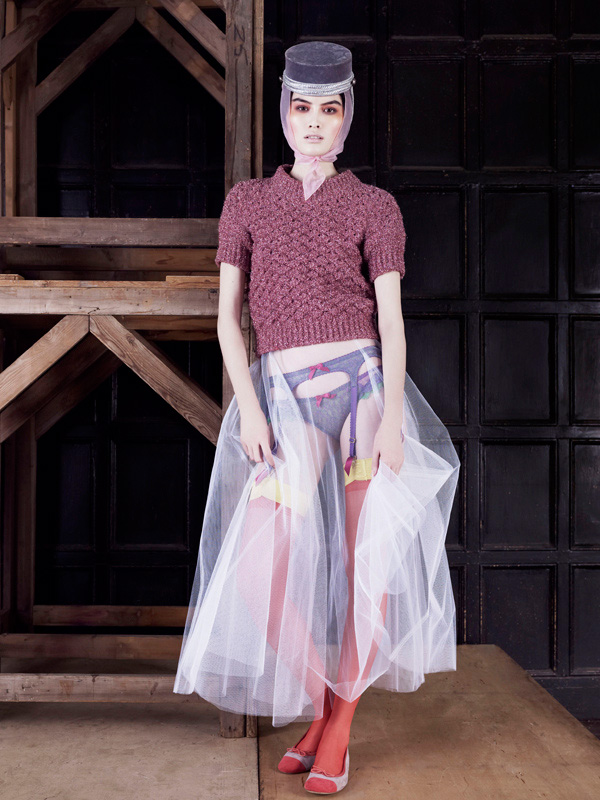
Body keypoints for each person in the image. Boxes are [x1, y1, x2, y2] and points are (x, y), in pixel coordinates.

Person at [173, 41, 460, 795]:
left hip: (363, 388)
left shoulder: (374, 206)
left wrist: (393, 418)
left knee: (369, 560)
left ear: (346, 117)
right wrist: (247, 409)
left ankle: (339, 730)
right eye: (301, 107)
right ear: (284, 110)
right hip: (284, 397)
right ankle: (328, 703)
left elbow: (391, 322)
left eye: (329, 109)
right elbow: (228, 319)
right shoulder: (247, 202)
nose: (313, 122)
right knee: (260, 564)